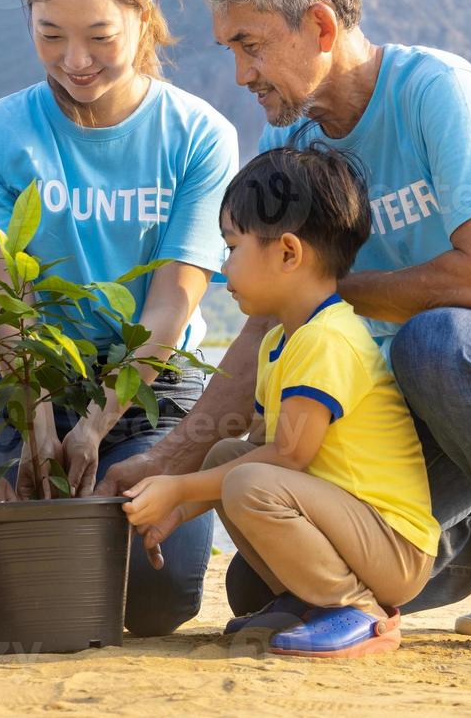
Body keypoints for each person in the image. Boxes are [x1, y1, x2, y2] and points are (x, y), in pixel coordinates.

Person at [99, 0, 471, 654]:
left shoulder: (434, 89)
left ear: (318, 25)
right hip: (421, 406)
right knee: (263, 586)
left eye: (250, 46)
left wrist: (327, 299)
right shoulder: (291, 141)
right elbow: (266, 326)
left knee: (434, 339)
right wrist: (166, 464)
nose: (240, 75)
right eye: (231, 50)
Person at [0, 0, 239, 636]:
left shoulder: (198, 135)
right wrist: (40, 416)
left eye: (100, 36)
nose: (75, 61)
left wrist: (97, 424)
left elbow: (171, 306)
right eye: (51, 36)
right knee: (43, 592)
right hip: (33, 371)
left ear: (143, 17)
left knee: (159, 598)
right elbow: (2, 299)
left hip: (151, 382)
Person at [123, 146, 439, 657]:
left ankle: (356, 609)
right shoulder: (279, 342)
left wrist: (177, 486)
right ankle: (308, 601)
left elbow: (288, 458)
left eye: (232, 247)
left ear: (288, 253)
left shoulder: (327, 339)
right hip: (348, 530)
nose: (224, 269)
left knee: (249, 477)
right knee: (229, 457)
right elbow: (259, 450)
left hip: (393, 547)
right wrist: (179, 509)